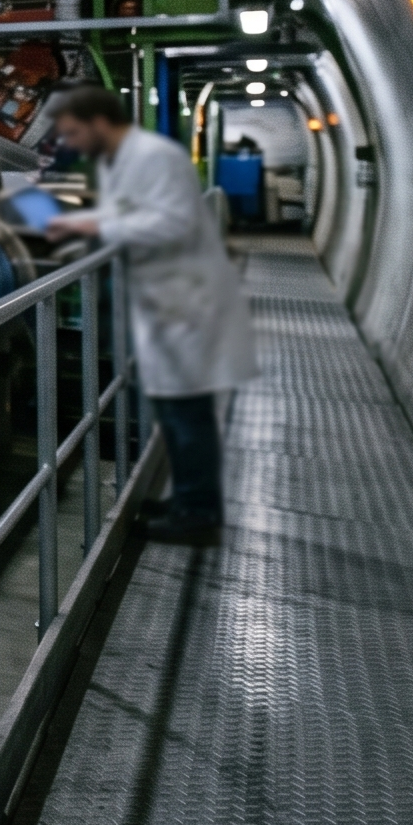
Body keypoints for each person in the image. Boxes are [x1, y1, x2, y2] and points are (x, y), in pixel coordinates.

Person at [42, 84, 257, 544]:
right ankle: (189, 500)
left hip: (183, 301)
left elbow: (170, 223)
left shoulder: (153, 158)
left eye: (76, 133)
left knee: (187, 408)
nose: (73, 144)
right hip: (166, 300)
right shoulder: (126, 160)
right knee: (175, 407)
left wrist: (92, 223)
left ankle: (197, 514)